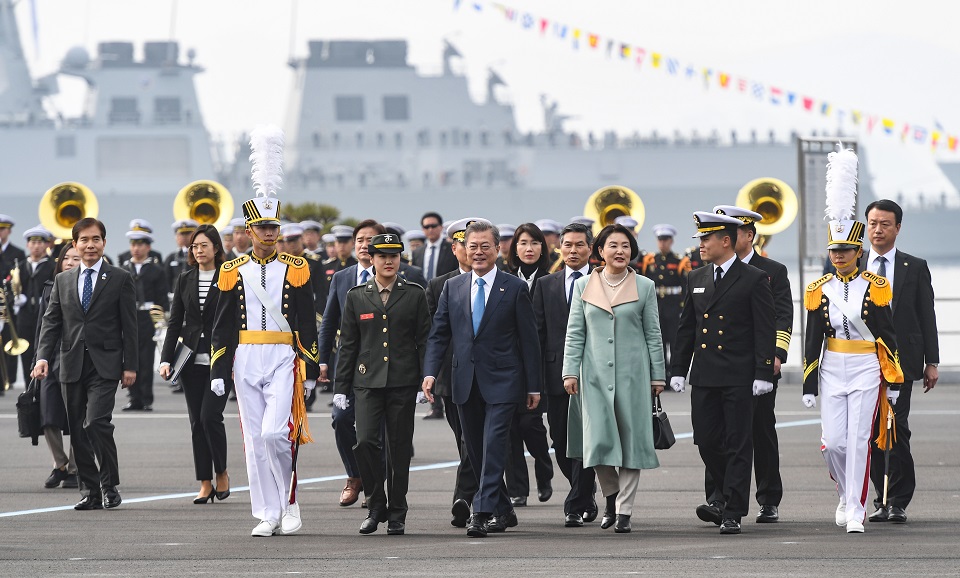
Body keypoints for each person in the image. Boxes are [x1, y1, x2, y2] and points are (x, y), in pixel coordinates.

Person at [210, 125, 318, 537]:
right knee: (254, 440)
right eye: (262, 228)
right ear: (248, 231)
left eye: (274, 227)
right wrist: (219, 369)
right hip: (244, 356)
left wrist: (311, 365)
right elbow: (221, 324)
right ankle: (266, 512)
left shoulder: (297, 268)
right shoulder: (231, 270)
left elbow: (306, 321)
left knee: (276, 434)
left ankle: (289, 503)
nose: (269, 233)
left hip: (282, 355)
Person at [801, 149, 904, 533]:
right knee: (833, 444)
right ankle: (845, 492)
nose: (839, 256)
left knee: (859, 441)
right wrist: (809, 383)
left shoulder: (876, 287)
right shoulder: (818, 288)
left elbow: (887, 335)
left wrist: (894, 379)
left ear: (858, 252)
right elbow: (813, 339)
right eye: (834, 250)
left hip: (865, 367)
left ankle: (856, 510)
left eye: (845, 250)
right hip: (832, 367)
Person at [422, 219, 542, 538]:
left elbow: (529, 340)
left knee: (494, 444)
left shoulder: (514, 288)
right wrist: (430, 372)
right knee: (474, 450)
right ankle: (503, 508)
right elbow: (439, 334)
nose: (478, 252)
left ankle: (482, 511)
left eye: (485, 246)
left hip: (504, 380)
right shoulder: (452, 287)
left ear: (498, 249)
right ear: (463, 248)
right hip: (464, 380)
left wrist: (533, 385)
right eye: (472, 246)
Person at [670, 211, 775, 535]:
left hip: (739, 376)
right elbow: (687, 327)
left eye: (706, 239)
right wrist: (678, 369)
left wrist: (763, 373)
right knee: (706, 439)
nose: (700, 245)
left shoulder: (754, 278)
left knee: (739, 442)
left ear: (725, 241)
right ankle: (729, 492)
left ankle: (732, 510)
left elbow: (764, 330)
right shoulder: (696, 277)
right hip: (705, 375)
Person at [560, 223, 664, 534]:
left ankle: (624, 511)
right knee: (597, 443)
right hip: (592, 376)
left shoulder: (645, 286)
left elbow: (653, 334)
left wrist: (657, 375)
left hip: (633, 376)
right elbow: (575, 332)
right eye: (613, 246)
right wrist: (569, 371)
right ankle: (612, 497)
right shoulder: (584, 285)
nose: (620, 251)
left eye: (626, 246)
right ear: (600, 251)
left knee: (631, 444)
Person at [33, 217, 138, 511]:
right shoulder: (63, 280)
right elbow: (51, 322)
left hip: (105, 365)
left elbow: (130, 326)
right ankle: (90, 491)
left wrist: (130, 366)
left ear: (104, 242)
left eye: (95, 239)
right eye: (84, 240)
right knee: (77, 430)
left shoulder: (120, 278)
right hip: (70, 363)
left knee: (96, 423)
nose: (90, 245)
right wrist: (42, 357)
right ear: (75, 244)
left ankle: (109, 485)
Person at [335, 233, 430, 535]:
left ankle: (398, 511)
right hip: (367, 381)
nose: (389, 261)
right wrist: (340, 387)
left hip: (403, 381)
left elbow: (425, 340)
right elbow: (348, 344)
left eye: (394, 256)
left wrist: (426, 380)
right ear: (371, 258)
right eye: (382, 256)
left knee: (399, 448)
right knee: (365, 442)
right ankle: (376, 504)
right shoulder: (356, 295)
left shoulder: (414, 294)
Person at [711, 205, 794, 524]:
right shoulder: (713, 269)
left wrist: (776, 355)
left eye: (731, 232)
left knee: (760, 431)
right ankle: (718, 498)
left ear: (748, 235)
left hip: (759, 365)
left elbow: (783, 316)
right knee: (718, 434)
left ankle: (769, 498)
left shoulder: (772, 271)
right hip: (722, 365)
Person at [862, 199, 939, 524]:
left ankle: (897, 500)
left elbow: (926, 315)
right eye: (873, 223)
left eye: (885, 224)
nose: (878, 230)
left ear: (898, 228)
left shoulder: (914, 266)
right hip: (862, 362)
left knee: (896, 429)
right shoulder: (852, 263)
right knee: (871, 433)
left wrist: (932, 361)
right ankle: (880, 499)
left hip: (901, 363)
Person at [159, 224, 231, 505]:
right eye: (194, 246)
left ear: (216, 248)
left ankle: (221, 472)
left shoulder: (229, 276)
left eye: (204, 245)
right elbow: (175, 321)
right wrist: (166, 359)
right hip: (190, 360)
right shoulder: (185, 278)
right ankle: (205, 482)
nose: (199, 251)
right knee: (196, 423)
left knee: (210, 417)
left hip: (220, 360)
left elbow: (237, 320)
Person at [533, 222, 597, 527]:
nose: (573, 251)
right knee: (560, 440)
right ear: (560, 248)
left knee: (587, 440)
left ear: (590, 249)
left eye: (579, 244)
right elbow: (538, 333)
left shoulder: (602, 280)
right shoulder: (546, 284)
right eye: (567, 245)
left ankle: (575, 503)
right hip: (556, 375)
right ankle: (584, 492)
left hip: (595, 374)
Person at [319, 219, 384, 507]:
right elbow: (329, 321)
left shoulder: (394, 275)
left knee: (378, 429)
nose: (364, 245)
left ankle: (376, 487)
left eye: (371, 240)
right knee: (341, 418)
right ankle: (355, 475)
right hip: (348, 364)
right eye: (360, 240)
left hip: (383, 364)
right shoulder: (342, 277)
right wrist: (322, 360)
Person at [424, 218, 480, 527]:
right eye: (464, 244)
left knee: (474, 440)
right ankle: (493, 498)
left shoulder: (501, 280)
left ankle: (464, 498)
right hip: (453, 376)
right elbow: (434, 334)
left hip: (488, 374)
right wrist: (430, 373)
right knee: (464, 438)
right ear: (455, 248)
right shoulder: (440, 285)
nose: (470, 251)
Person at [504, 222, 554, 507]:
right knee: (510, 428)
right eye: (523, 243)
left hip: (540, 366)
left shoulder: (551, 280)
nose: (529, 248)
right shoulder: (505, 280)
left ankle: (544, 468)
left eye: (534, 243)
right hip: (509, 365)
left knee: (531, 424)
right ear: (515, 249)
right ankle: (518, 489)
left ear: (542, 248)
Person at [32, 243, 81, 490]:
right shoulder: (49, 287)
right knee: (48, 415)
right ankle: (60, 465)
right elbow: (42, 327)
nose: (70, 263)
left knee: (77, 417)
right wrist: (37, 359)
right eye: (66, 258)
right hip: (50, 359)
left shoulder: (87, 287)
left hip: (78, 357)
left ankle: (74, 469)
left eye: (76, 258)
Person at [120, 227, 169, 411]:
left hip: (148, 317)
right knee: (129, 358)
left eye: (140, 244)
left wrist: (160, 323)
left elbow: (162, 299)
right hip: (129, 316)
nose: (136, 248)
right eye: (133, 244)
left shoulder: (156, 270)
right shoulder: (124, 269)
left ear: (148, 247)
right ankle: (134, 398)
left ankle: (146, 398)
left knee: (146, 359)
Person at [639, 224, 690, 380]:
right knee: (657, 341)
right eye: (660, 240)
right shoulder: (650, 260)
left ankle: (673, 374)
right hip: (656, 305)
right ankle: (659, 374)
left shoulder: (680, 261)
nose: (663, 243)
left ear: (671, 241)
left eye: (666, 239)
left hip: (673, 306)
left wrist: (683, 305)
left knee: (674, 341)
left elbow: (685, 285)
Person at [15, 226, 56, 383]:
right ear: (28, 245)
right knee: (25, 352)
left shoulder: (52, 266)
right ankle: (29, 386)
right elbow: (10, 289)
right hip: (25, 316)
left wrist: (45, 299)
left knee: (43, 350)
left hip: (44, 314)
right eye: (33, 243)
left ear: (46, 244)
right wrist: (16, 298)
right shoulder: (20, 266)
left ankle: (43, 387)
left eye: (40, 242)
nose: (36, 246)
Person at [0, 213, 26, 390]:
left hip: (8, 304)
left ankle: (9, 378)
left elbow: (18, 278)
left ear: (9, 231)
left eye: (3, 229)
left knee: (10, 338)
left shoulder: (17, 253)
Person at [411, 211, 457, 280]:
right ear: (423, 229)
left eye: (433, 226)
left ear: (441, 227)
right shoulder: (417, 252)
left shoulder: (451, 248)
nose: (430, 229)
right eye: (426, 227)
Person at [164, 219, 199, 294]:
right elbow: (166, 280)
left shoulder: (200, 255)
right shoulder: (171, 258)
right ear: (176, 237)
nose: (185, 236)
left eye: (188, 233)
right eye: (182, 234)